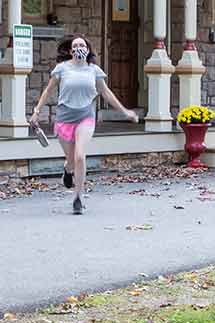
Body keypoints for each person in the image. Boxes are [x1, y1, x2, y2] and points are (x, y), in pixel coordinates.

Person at [28, 34, 137, 216]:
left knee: (80, 155)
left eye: (82, 45)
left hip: (85, 116)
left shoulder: (94, 70)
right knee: (71, 160)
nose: (79, 47)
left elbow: (107, 93)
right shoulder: (62, 69)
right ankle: (67, 170)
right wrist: (36, 112)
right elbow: (48, 91)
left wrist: (125, 112)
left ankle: (78, 197)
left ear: (87, 50)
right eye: (75, 45)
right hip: (64, 118)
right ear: (71, 51)